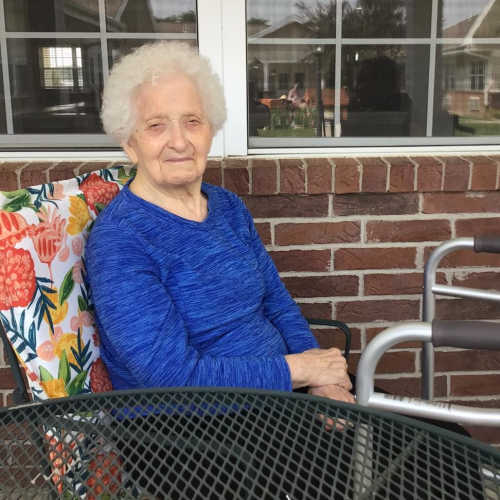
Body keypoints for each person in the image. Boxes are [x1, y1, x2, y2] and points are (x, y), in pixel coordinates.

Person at [86, 41, 353, 405]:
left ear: (211, 130)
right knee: (408, 452)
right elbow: (171, 376)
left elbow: (277, 302)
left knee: (422, 434)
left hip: (283, 392)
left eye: (192, 122)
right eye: (156, 126)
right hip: (200, 430)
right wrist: (303, 371)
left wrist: (323, 379)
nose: (179, 141)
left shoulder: (226, 207)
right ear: (130, 143)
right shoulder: (120, 240)